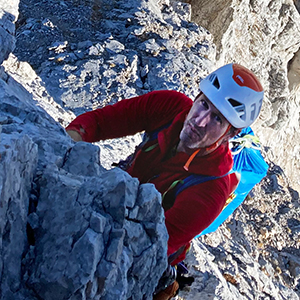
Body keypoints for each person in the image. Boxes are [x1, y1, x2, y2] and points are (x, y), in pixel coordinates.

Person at [66, 63, 264, 299]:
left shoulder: (211, 190)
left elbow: (146, 247)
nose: (199, 122)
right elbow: (104, 121)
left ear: (229, 135)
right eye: (203, 104)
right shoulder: (170, 107)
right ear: (197, 96)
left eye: (217, 119)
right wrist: (69, 141)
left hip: (142, 262)